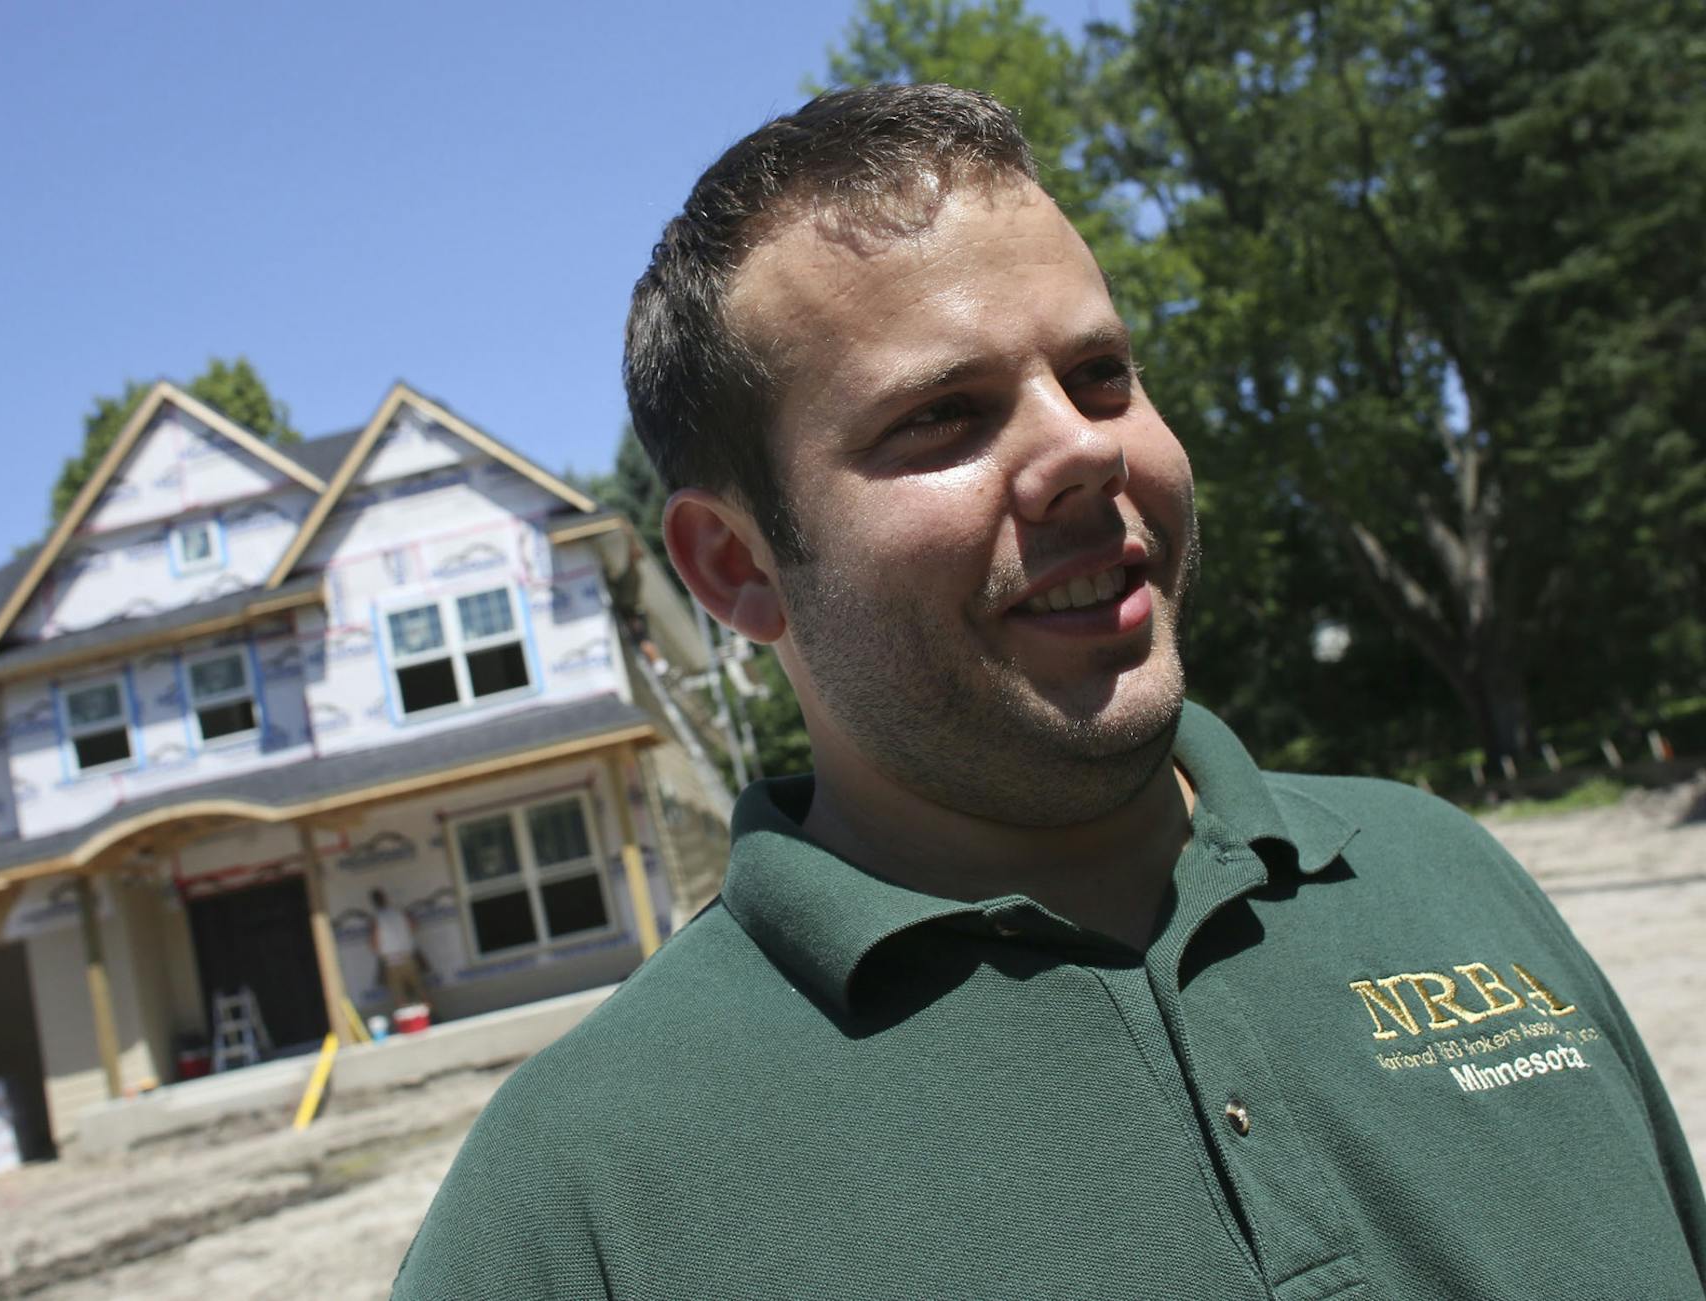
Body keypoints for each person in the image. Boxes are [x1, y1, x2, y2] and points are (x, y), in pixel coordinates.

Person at [392, 85, 1706, 1299]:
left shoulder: (1445, 873)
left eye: (1101, 375)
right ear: (737, 567)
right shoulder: (577, 1202)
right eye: (942, 415)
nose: (1086, 448)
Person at [368, 887, 426, 1011]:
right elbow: (414, 927)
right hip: (408, 957)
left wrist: (380, 950)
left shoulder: (376, 919)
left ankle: (407, 1020)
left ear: (374, 902)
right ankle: (433, 1016)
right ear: (385, 898)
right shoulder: (399, 912)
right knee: (421, 991)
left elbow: (374, 943)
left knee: (400, 997)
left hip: (391, 962)